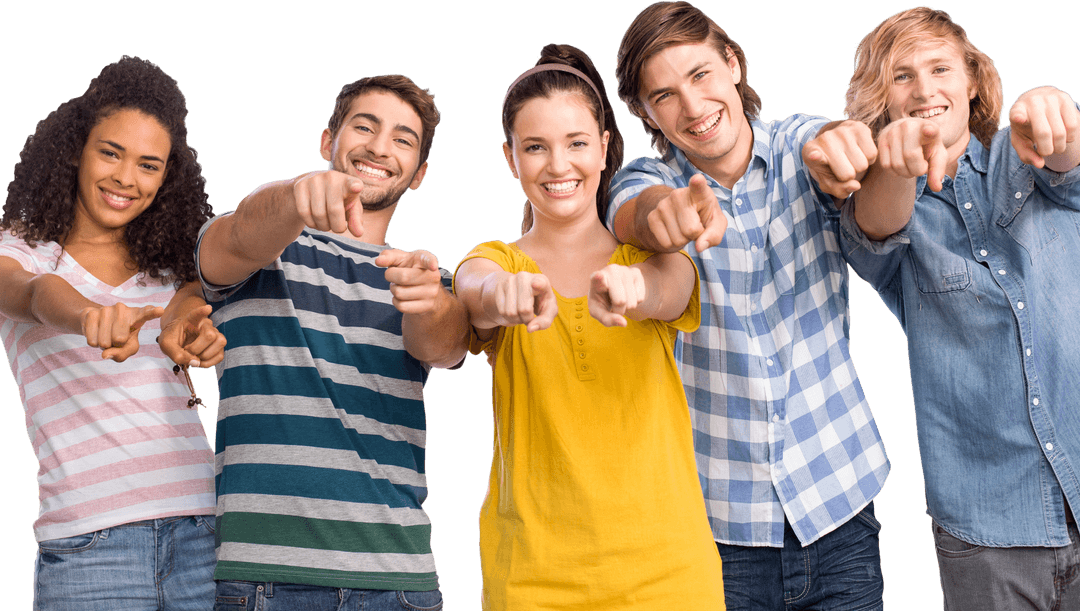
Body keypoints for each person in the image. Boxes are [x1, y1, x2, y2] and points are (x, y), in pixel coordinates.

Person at [607, 2, 890, 609]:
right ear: (645, 112)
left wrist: (841, 144)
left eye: (701, 74)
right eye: (664, 95)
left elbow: (823, 142)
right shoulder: (644, 180)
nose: (692, 107)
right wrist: (664, 217)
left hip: (840, 507)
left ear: (733, 64)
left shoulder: (797, 147)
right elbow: (633, 211)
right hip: (718, 534)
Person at [817, 7, 1080, 609]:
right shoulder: (885, 202)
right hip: (989, 526)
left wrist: (1056, 116)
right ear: (882, 99)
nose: (924, 89)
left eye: (940, 69)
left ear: (973, 82)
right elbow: (876, 228)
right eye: (901, 76)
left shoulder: (1023, 158)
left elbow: (1069, 166)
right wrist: (895, 167)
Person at [454, 43, 725, 611]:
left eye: (576, 143)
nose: (558, 166)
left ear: (603, 148)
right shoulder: (497, 262)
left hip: (670, 577)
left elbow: (670, 289)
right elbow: (474, 289)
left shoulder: (649, 258)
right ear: (510, 158)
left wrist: (635, 289)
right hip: (531, 581)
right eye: (535, 147)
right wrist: (501, 296)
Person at [196, 73, 466, 611]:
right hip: (263, 580)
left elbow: (446, 344)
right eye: (364, 127)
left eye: (403, 139)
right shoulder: (257, 252)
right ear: (327, 141)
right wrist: (296, 196)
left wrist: (430, 301)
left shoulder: (422, 280)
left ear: (419, 174)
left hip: (398, 582)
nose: (380, 148)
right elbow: (240, 233)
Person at [0, 55, 225, 610]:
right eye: (111, 153)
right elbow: (31, 293)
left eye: (149, 165)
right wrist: (87, 316)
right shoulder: (21, 252)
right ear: (76, 148)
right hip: (89, 547)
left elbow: (192, 303)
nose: (127, 178)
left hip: (204, 531)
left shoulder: (171, 267)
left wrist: (194, 328)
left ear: (167, 177)